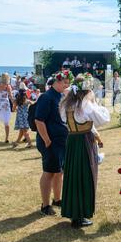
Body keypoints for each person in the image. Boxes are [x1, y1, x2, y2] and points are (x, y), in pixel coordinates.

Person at [60, 74, 111, 228]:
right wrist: (94, 101)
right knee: (85, 176)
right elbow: (104, 118)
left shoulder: (66, 105)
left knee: (73, 177)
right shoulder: (85, 105)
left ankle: (75, 214)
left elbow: (64, 120)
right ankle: (80, 215)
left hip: (72, 141)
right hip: (84, 143)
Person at [35, 71, 73, 216]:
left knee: (59, 172)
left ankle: (57, 199)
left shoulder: (61, 96)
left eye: (68, 83)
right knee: (49, 172)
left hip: (61, 141)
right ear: (57, 82)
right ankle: (45, 205)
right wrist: (47, 140)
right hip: (50, 142)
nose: (67, 85)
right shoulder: (46, 97)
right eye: (64, 82)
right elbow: (39, 120)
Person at [0, 73, 13, 143]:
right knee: (6, 122)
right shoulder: (8, 86)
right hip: (5, 105)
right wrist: (15, 102)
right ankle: (6, 138)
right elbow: (10, 96)